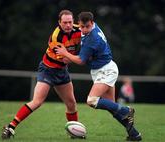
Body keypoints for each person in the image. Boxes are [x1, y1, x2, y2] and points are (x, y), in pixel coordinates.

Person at [56, 12, 142, 141]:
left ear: (92, 23)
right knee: (111, 107)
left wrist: (65, 53)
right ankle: (134, 134)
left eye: (87, 27)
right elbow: (76, 33)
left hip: (106, 71)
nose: (84, 30)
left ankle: (126, 110)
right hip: (102, 69)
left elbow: (80, 61)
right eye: (82, 26)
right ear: (79, 24)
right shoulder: (88, 27)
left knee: (92, 100)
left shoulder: (92, 38)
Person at [1, 10, 81, 139]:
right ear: (59, 23)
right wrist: (85, 56)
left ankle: (75, 133)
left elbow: (90, 32)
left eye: (70, 22)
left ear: (74, 21)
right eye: (65, 22)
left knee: (71, 103)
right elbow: (66, 59)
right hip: (48, 70)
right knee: (37, 101)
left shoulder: (79, 29)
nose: (68, 25)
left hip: (62, 71)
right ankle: (10, 127)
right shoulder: (56, 37)